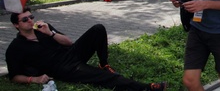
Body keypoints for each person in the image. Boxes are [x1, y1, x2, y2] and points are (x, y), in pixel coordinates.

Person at [6, 7, 166, 90]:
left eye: (31, 17)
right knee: (103, 77)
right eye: (25, 19)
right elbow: (13, 76)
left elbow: (68, 42)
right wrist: (33, 79)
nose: (30, 21)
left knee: (97, 28)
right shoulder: (16, 48)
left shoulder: (42, 28)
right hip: (63, 68)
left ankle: (104, 63)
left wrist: (50, 33)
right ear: (16, 25)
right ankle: (146, 88)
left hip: (71, 53)